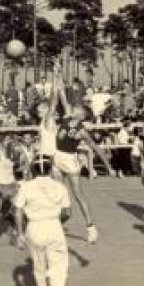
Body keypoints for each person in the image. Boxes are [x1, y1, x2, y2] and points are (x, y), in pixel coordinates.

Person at [56, 74, 116, 245]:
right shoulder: (67, 117)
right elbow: (61, 93)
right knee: (58, 194)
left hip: (69, 160)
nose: (74, 109)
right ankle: (60, 219)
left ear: (82, 116)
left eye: (78, 109)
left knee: (78, 194)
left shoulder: (81, 131)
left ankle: (90, 227)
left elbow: (96, 148)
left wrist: (109, 167)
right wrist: (58, 74)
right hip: (57, 157)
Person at [13, 155, 71, 286]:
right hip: (53, 225)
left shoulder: (25, 187)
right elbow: (67, 212)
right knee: (58, 265)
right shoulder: (59, 187)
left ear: (33, 169)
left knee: (39, 264)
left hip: (34, 227)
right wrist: (57, 222)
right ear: (50, 169)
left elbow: (17, 210)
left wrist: (19, 233)